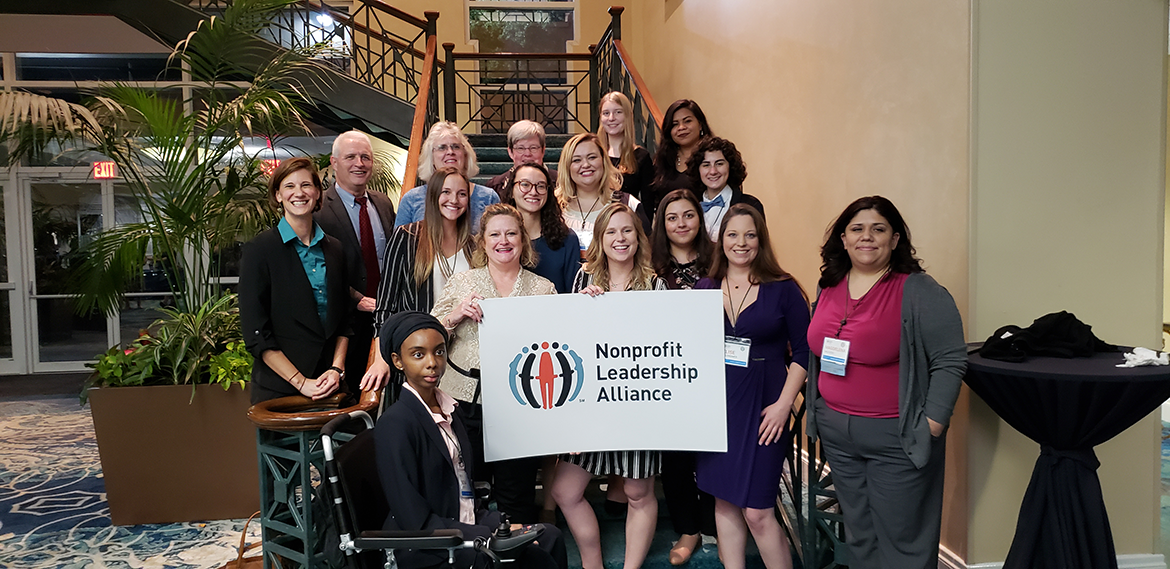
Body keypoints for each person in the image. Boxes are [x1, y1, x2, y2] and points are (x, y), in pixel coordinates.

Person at [805, 196, 966, 569]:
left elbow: (950, 359)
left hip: (896, 436)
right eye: (857, 229)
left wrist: (932, 425)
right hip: (837, 433)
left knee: (902, 539)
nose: (867, 237)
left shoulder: (918, 290)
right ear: (842, 238)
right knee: (861, 533)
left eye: (878, 229)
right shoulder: (829, 284)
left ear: (895, 239)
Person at [373, 310, 568, 569]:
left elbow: (463, 488)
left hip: (467, 521)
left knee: (550, 536)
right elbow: (414, 520)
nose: (432, 362)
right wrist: (487, 536)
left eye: (439, 351)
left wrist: (501, 527)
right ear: (398, 361)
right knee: (530, 557)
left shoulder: (452, 410)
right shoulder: (396, 423)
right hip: (430, 542)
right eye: (418, 354)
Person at [694, 204, 809, 569]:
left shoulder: (784, 289)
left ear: (761, 240)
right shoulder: (704, 287)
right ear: (720, 240)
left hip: (766, 407)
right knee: (724, 502)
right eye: (732, 235)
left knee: (758, 512)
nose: (740, 243)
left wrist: (783, 404)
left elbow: (805, 353)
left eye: (749, 235)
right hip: (718, 407)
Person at [551, 202, 665, 569]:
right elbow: (568, 341)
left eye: (627, 230)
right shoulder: (583, 281)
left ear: (638, 236)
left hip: (636, 404)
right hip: (591, 405)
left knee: (636, 491)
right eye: (611, 232)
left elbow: (665, 348)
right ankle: (592, 563)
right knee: (564, 491)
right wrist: (580, 310)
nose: (620, 238)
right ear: (600, 239)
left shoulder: (656, 284)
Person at [431, 204, 557, 520]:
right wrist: (456, 315)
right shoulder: (462, 283)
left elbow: (557, 348)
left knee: (517, 494)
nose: (504, 240)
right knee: (464, 489)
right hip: (462, 402)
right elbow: (429, 339)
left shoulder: (543, 289)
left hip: (521, 404)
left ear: (523, 240)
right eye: (495, 234)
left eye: (511, 233)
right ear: (483, 242)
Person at [240, 158, 354, 404]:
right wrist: (301, 382)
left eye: (306, 185)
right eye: (289, 186)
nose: (299, 193)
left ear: (317, 193)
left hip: (332, 384)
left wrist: (336, 370)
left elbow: (345, 320)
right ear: (278, 195)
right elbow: (256, 333)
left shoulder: (335, 249)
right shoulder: (259, 250)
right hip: (280, 390)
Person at [648, 189, 717, 564]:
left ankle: (713, 521)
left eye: (688, 215)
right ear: (662, 223)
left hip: (712, 373)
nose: (681, 224)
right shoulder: (651, 266)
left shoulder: (718, 261)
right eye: (672, 217)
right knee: (674, 460)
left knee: (710, 454)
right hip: (665, 375)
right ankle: (688, 528)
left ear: (699, 219)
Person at [364, 167, 477, 392]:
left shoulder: (474, 246)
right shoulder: (407, 237)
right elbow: (386, 304)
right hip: (416, 353)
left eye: (462, 193)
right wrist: (381, 358)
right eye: (446, 192)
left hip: (460, 355)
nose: (454, 200)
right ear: (433, 195)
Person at [315, 130, 396, 395]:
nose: (359, 163)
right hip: (346, 322)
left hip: (386, 314)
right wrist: (355, 299)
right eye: (351, 157)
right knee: (351, 394)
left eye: (365, 157)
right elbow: (318, 268)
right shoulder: (319, 210)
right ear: (334, 162)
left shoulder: (383, 204)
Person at [555, 132, 650, 255]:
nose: (585, 165)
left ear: (603, 161)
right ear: (567, 167)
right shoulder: (553, 206)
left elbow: (646, 253)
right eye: (576, 160)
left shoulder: (628, 204)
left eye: (592, 157)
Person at [396, 121, 500, 231]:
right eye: (442, 147)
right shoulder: (411, 199)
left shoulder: (488, 197)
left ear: (465, 154)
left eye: (456, 147)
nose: (450, 152)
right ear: (431, 157)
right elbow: (400, 243)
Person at [500, 162, 580, 293]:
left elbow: (573, 293)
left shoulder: (566, 239)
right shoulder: (499, 240)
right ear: (511, 191)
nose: (533, 192)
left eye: (541, 186)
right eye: (525, 184)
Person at [685, 137, 765, 240]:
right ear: (698, 170)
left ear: (730, 167)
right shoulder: (691, 207)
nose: (713, 171)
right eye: (706, 165)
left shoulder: (750, 204)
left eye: (719, 164)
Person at [649, 99, 713, 217]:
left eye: (687, 121)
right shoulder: (662, 161)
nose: (681, 127)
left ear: (700, 124)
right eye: (675, 124)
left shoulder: (713, 158)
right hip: (671, 229)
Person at [597, 92, 654, 202]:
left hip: (628, 217)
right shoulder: (593, 154)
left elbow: (648, 204)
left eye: (618, 112)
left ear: (627, 116)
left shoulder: (641, 156)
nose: (611, 118)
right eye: (606, 113)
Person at [486, 120, 558, 197]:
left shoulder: (561, 182)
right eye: (520, 148)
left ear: (543, 150)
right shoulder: (495, 186)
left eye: (533, 148)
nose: (527, 154)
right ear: (510, 152)